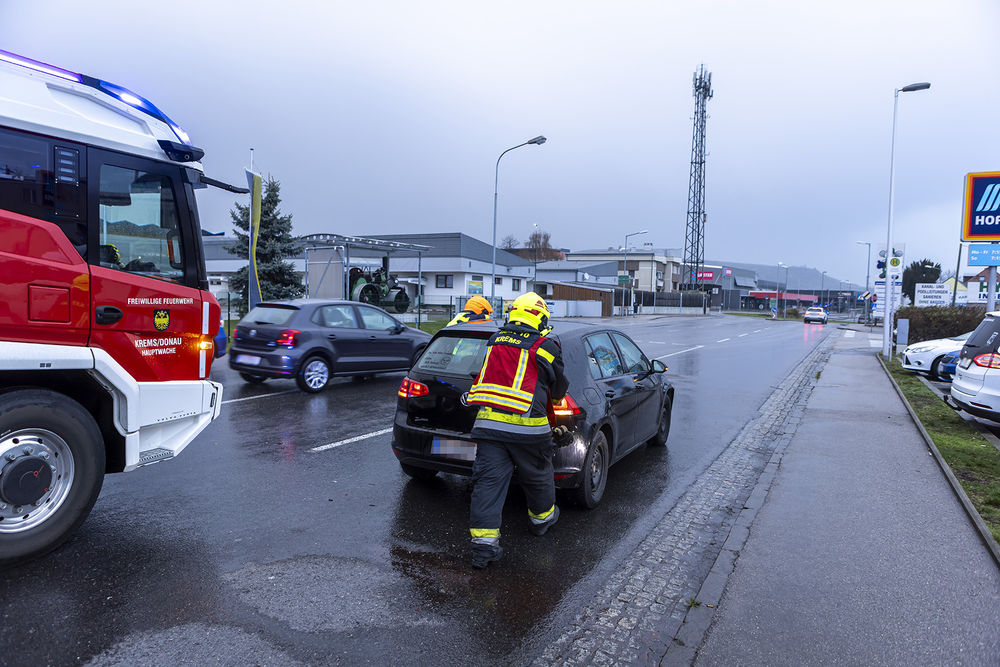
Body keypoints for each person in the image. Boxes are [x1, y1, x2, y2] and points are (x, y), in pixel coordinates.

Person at [465, 292, 569, 569]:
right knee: (538, 476)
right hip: (529, 430)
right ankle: (541, 520)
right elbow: (558, 388)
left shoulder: (494, 340)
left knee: (488, 484)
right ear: (539, 318)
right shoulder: (545, 346)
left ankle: (483, 548)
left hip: (488, 427)